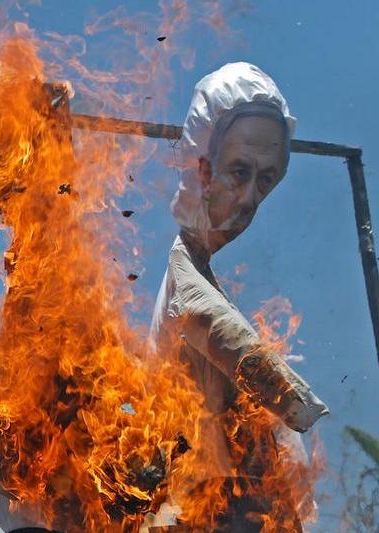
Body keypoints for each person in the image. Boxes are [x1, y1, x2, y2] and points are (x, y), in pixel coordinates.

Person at [149, 62, 328, 527]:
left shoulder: (209, 270)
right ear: (203, 167)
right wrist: (295, 402)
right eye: (239, 172)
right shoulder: (184, 265)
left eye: (265, 180)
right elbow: (208, 319)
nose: (249, 198)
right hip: (212, 509)